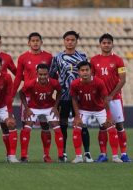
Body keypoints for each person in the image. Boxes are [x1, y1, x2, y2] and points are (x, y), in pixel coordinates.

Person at [49, 30, 91, 162]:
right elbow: (51, 75)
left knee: (82, 124)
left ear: (76, 41)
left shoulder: (83, 56)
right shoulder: (58, 57)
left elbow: (87, 75)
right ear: (64, 41)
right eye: (67, 39)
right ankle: (64, 153)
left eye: (72, 40)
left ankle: (87, 153)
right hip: (64, 96)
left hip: (80, 96)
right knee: (63, 124)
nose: (70, 42)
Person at [70, 60, 122, 163]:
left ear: (91, 71)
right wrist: (77, 116)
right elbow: (74, 100)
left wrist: (108, 115)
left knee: (111, 128)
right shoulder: (74, 84)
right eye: (82, 70)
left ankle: (115, 156)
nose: (85, 72)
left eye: (87, 70)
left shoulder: (99, 82)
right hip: (84, 109)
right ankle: (79, 156)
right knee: (77, 128)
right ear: (78, 72)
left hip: (99, 109)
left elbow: (105, 99)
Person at [90, 33, 131, 162]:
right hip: (100, 99)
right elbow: (91, 79)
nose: (106, 45)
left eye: (108, 43)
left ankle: (124, 154)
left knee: (119, 125)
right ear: (100, 44)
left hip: (115, 98)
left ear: (112, 44)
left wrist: (111, 95)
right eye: (104, 43)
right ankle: (103, 154)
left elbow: (123, 80)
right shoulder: (94, 60)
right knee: (103, 126)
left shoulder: (118, 60)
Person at [19, 63, 64, 163]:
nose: (43, 76)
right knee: (26, 129)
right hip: (34, 107)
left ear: (48, 74)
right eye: (40, 74)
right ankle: (23, 156)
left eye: (45, 74)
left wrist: (56, 106)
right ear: (37, 73)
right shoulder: (31, 83)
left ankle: (58, 156)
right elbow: (21, 93)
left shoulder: (54, 83)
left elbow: (60, 92)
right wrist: (27, 108)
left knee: (57, 127)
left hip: (49, 107)